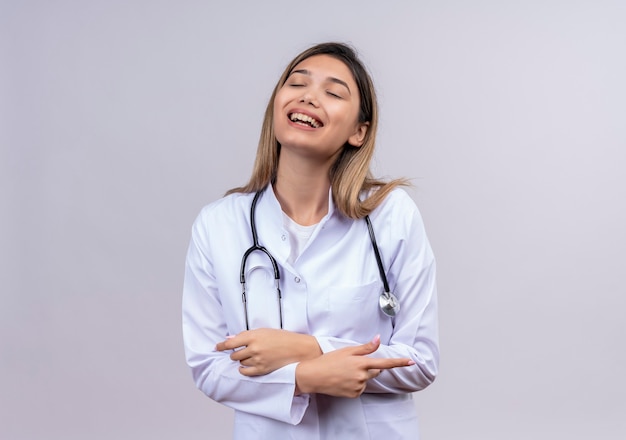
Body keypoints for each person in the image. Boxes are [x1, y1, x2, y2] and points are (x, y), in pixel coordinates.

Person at [182, 42, 439, 439]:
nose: (309, 96)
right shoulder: (218, 225)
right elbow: (210, 367)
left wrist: (308, 348)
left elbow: (419, 360)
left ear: (359, 131)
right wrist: (306, 376)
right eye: (297, 83)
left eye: (333, 92)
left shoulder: (390, 215)